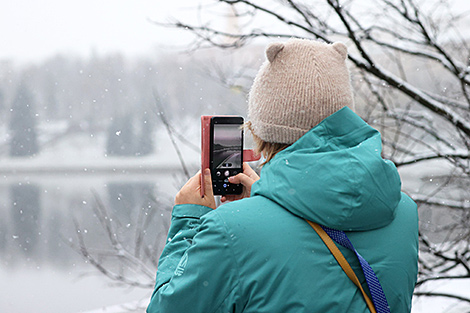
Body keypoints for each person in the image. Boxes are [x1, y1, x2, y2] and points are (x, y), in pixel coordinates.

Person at [146, 38, 419, 313]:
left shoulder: (229, 231)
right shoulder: (403, 212)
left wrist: (189, 221)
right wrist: (270, 201)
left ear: (264, 131)